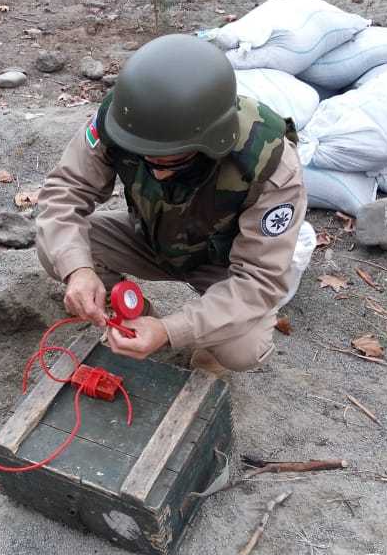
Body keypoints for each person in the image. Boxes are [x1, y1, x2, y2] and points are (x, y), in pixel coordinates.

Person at [35, 34, 307, 374]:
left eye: (170, 159)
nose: (156, 170)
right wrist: (79, 270)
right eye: (143, 155)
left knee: (243, 348)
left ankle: (201, 347)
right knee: (59, 249)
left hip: (222, 266)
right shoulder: (125, 121)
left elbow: (259, 281)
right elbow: (65, 190)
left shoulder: (268, 162)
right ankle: (134, 319)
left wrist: (172, 331)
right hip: (148, 238)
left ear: (213, 140)